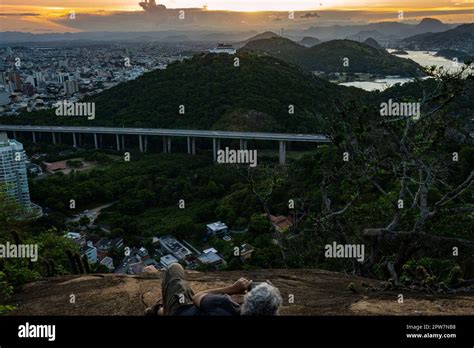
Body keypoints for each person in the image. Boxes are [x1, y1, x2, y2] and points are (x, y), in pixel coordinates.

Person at [145, 263, 282, 316]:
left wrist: (233, 289)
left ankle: (157, 310)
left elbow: (197, 297)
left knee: (174, 268)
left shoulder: (224, 304)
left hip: (183, 311)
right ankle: (158, 310)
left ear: (247, 300)